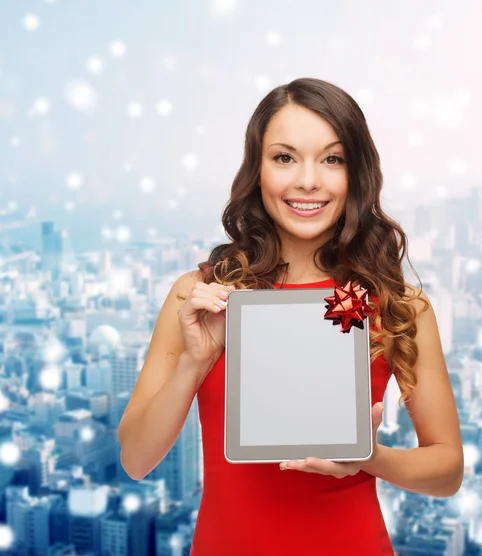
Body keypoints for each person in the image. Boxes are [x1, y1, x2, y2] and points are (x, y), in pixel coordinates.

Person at [118, 77, 464, 555]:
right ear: (257, 170)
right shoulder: (200, 295)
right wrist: (194, 364)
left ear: (356, 174)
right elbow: (135, 459)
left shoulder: (394, 305)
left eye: (332, 159)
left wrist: (370, 457)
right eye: (284, 157)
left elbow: (447, 470)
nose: (308, 180)